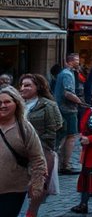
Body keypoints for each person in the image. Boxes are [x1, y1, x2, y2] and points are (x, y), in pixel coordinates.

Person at [19, 74, 62, 216]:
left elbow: (56, 127)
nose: (23, 88)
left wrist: (39, 143)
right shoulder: (17, 103)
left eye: (27, 85)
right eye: (22, 85)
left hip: (41, 149)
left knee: (38, 185)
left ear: (37, 87)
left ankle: (31, 213)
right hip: (17, 149)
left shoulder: (48, 105)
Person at [0, 86, 46, 216]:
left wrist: (37, 184)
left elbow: (37, 158)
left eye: (7, 102)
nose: (3, 106)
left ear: (16, 103)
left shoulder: (24, 128)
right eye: (0, 103)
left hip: (14, 190)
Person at [54, 53, 85, 175]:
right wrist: (80, 102)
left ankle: (60, 163)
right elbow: (67, 93)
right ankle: (65, 164)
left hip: (63, 108)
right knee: (70, 136)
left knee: (63, 136)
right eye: (77, 60)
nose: (78, 62)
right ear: (71, 61)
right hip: (67, 109)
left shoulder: (65, 73)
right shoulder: (67, 74)